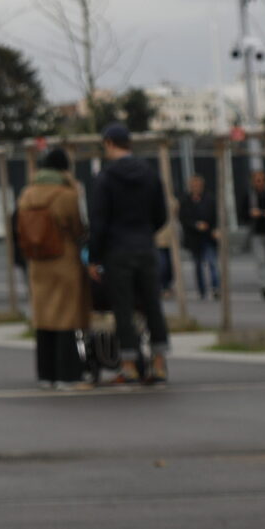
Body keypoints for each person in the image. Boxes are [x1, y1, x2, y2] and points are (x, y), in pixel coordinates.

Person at [87, 123, 170, 385]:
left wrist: (94, 257)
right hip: (145, 246)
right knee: (152, 305)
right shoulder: (149, 173)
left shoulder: (106, 178)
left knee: (123, 308)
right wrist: (145, 232)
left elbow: (98, 222)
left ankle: (130, 365)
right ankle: (158, 364)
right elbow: (161, 214)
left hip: (117, 250)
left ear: (109, 143)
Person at [18, 148, 88, 388]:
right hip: (63, 259)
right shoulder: (66, 195)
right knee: (66, 318)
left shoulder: (27, 194)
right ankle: (67, 373)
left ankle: (45, 373)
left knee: (44, 317)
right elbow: (79, 228)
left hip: (38, 261)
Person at [180, 174, 221, 301]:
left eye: (198, 185)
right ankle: (202, 290)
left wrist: (215, 228)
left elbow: (216, 215)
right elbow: (183, 218)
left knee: (212, 262)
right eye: (193, 185)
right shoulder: (185, 200)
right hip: (194, 237)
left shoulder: (209, 199)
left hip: (208, 236)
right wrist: (195, 225)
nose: (196, 187)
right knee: (197, 264)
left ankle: (216, 287)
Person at [246, 165, 265, 300]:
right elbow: (243, 213)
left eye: (261, 179)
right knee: (262, 260)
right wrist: (251, 214)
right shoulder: (250, 195)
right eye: (257, 180)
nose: (259, 182)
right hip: (257, 233)